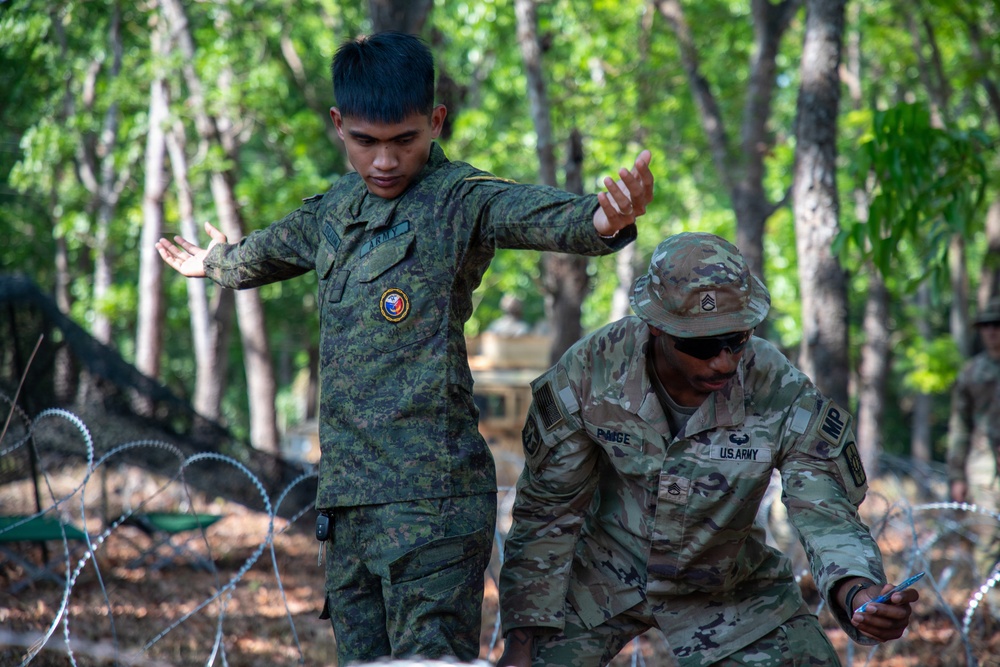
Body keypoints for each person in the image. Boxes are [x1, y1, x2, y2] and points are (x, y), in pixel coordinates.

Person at [155, 31, 654, 665]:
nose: (385, 162)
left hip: (433, 510)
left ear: (435, 121)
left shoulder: (458, 199)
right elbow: (268, 250)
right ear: (339, 125)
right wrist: (217, 262)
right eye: (366, 142)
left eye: (404, 141)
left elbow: (528, 210)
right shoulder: (332, 212)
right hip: (347, 508)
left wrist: (604, 220)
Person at [497, 232, 917, 667]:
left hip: (728, 585)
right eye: (701, 345)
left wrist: (856, 590)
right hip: (600, 580)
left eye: (737, 339)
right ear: (656, 327)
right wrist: (523, 642)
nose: (724, 362)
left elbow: (824, 509)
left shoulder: (777, 387)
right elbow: (549, 510)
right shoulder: (592, 370)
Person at [947, 296, 1000, 572]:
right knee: (989, 542)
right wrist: (957, 476)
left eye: (997, 325)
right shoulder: (971, 373)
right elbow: (960, 426)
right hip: (983, 472)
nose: (992, 331)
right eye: (986, 325)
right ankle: (994, 611)